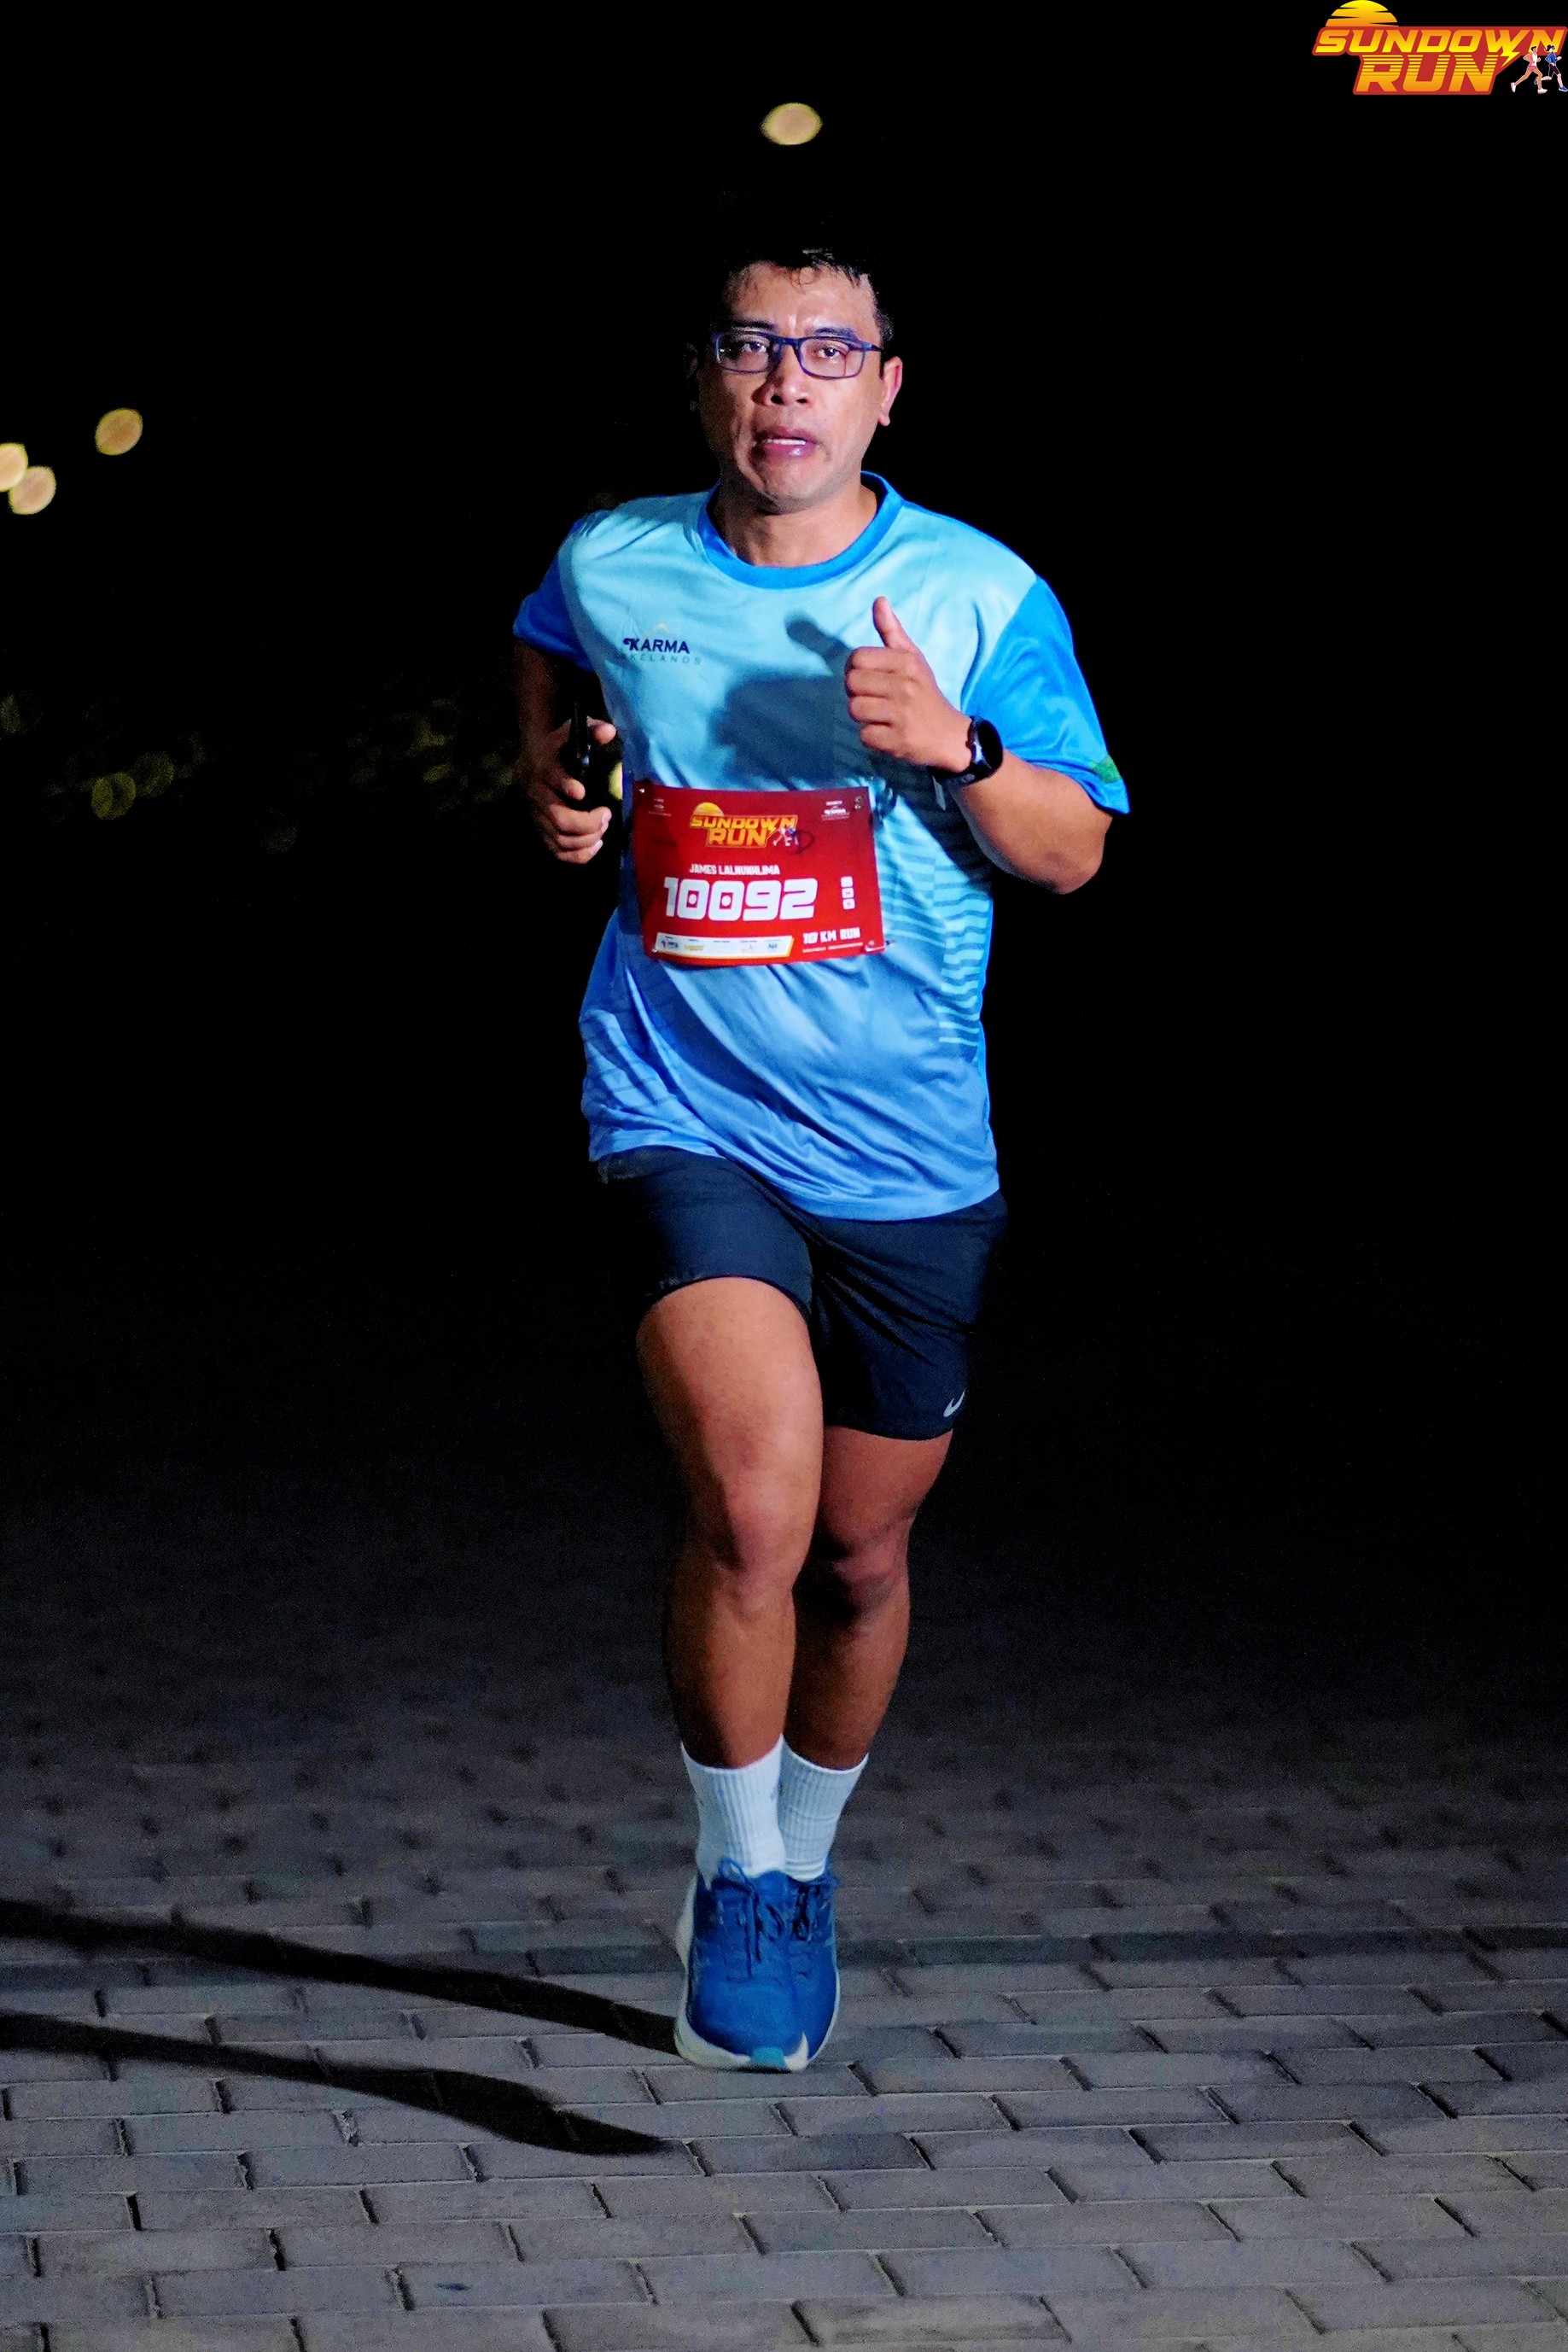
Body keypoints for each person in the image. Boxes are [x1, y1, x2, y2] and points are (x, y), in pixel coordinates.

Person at [513, 236, 1127, 2071]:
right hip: (679, 1098)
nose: (786, 380)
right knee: (757, 1509)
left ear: (887, 390)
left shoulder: (977, 591)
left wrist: (958, 748)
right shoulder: (615, 559)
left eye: (828, 352)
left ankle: (805, 1861)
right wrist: (555, 782)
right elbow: (548, 653)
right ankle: (740, 1880)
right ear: (705, 378)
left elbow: (1074, 851)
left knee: (858, 1557)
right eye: (751, 346)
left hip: (907, 1145)